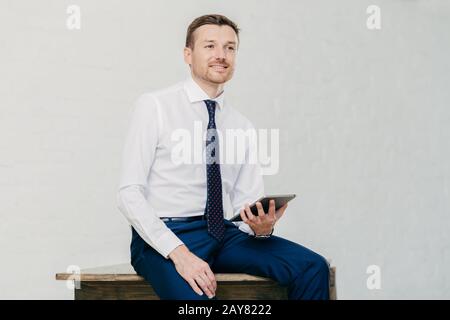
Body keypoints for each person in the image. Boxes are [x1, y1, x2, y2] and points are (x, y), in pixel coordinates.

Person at [117, 14, 330, 300]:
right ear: (188, 55)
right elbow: (128, 194)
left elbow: (246, 207)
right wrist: (180, 254)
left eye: (230, 47)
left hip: (222, 234)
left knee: (312, 267)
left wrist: (261, 229)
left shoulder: (241, 125)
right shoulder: (155, 106)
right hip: (165, 236)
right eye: (210, 46)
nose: (221, 55)